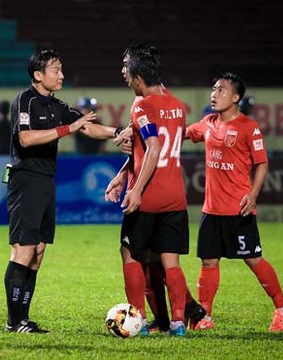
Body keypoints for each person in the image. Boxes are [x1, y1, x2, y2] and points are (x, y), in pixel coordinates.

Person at [4, 48, 124, 333]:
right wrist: (67, 130)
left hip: (46, 180)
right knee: (24, 250)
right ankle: (14, 321)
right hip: (26, 179)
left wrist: (120, 131)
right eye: (55, 70)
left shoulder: (57, 105)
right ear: (38, 74)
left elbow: (87, 128)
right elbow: (27, 138)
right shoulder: (25, 100)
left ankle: (23, 318)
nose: (61, 75)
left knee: (39, 251)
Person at [185, 72, 283, 332]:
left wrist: (253, 194)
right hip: (211, 209)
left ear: (235, 97)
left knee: (253, 259)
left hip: (238, 208)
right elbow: (182, 134)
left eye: (221, 90)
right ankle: (205, 316)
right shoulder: (208, 123)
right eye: (213, 89)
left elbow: (262, 162)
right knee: (209, 261)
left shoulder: (249, 127)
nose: (214, 94)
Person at [113, 43, 206, 334]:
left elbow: (152, 147)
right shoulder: (177, 105)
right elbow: (144, 147)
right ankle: (178, 322)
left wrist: (136, 188)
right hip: (175, 195)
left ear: (138, 77)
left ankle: (136, 320)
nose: (123, 73)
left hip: (149, 195)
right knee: (170, 260)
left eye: (127, 68)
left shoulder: (141, 105)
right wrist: (121, 175)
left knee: (130, 253)